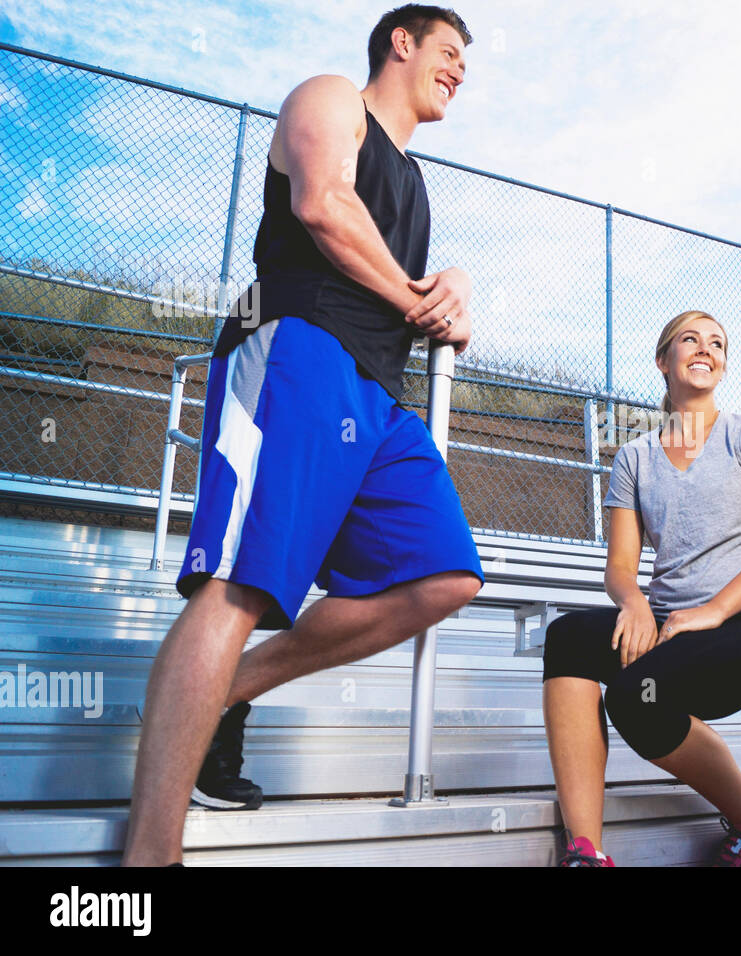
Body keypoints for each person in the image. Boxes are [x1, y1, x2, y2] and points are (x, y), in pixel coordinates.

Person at [122, 5, 483, 865]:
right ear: (402, 41)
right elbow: (322, 204)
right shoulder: (329, 98)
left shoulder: (417, 182)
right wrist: (420, 298)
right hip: (298, 346)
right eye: (449, 52)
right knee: (241, 584)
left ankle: (230, 691)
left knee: (443, 577)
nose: (460, 70)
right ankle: (148, 862)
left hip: (379, 390)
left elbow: (416, 286)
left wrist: (453, 285)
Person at [542, 310, 741, 867]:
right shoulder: (635, 456)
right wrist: (635, 602)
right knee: (568, 635)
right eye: (691, 339)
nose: (705, 348)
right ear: (664, 361)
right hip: (670, 625)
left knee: (635, 697)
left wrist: (713, 610)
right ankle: (585, 852)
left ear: (724, 364)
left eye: (717, 343)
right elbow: (619, 567)